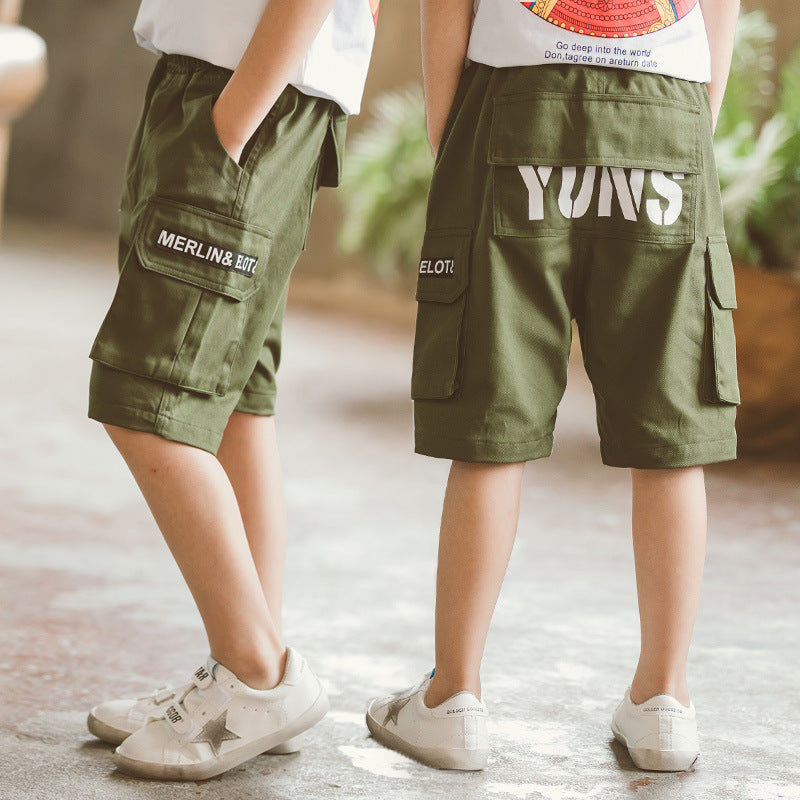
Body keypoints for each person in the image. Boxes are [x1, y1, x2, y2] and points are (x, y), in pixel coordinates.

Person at [366, 0, 740, 773]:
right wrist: (689, 124)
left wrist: (453, 138)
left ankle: (453, 699)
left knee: (492, 419)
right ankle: (664, 701)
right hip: (668, 104)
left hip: (514, 96)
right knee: (671, 432)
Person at [84, 0, 377, 782]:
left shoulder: (242, 107)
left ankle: (258, 671)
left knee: (147, 394)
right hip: (220, 88)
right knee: (236, 396)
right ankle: (246, 668)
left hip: (248, 97)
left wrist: (235, 118)